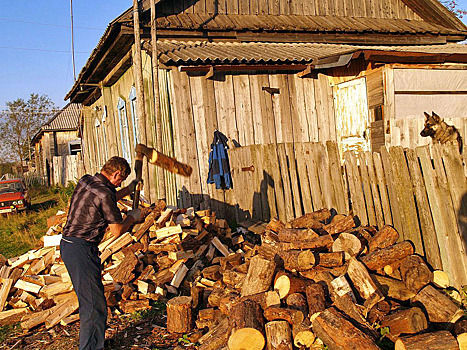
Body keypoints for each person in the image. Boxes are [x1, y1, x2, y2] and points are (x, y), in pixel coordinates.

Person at [60, 156, 141, 350]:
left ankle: (96, 343)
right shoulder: (105, 193)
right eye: (121, 180)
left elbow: (105, 198)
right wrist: (132, 217)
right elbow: (117, 230)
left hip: (68, 244)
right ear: (115, 174)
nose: (119, 183)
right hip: (82, 250)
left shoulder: (86, 180)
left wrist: (129, 190)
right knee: (93, 305)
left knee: (92, 301)